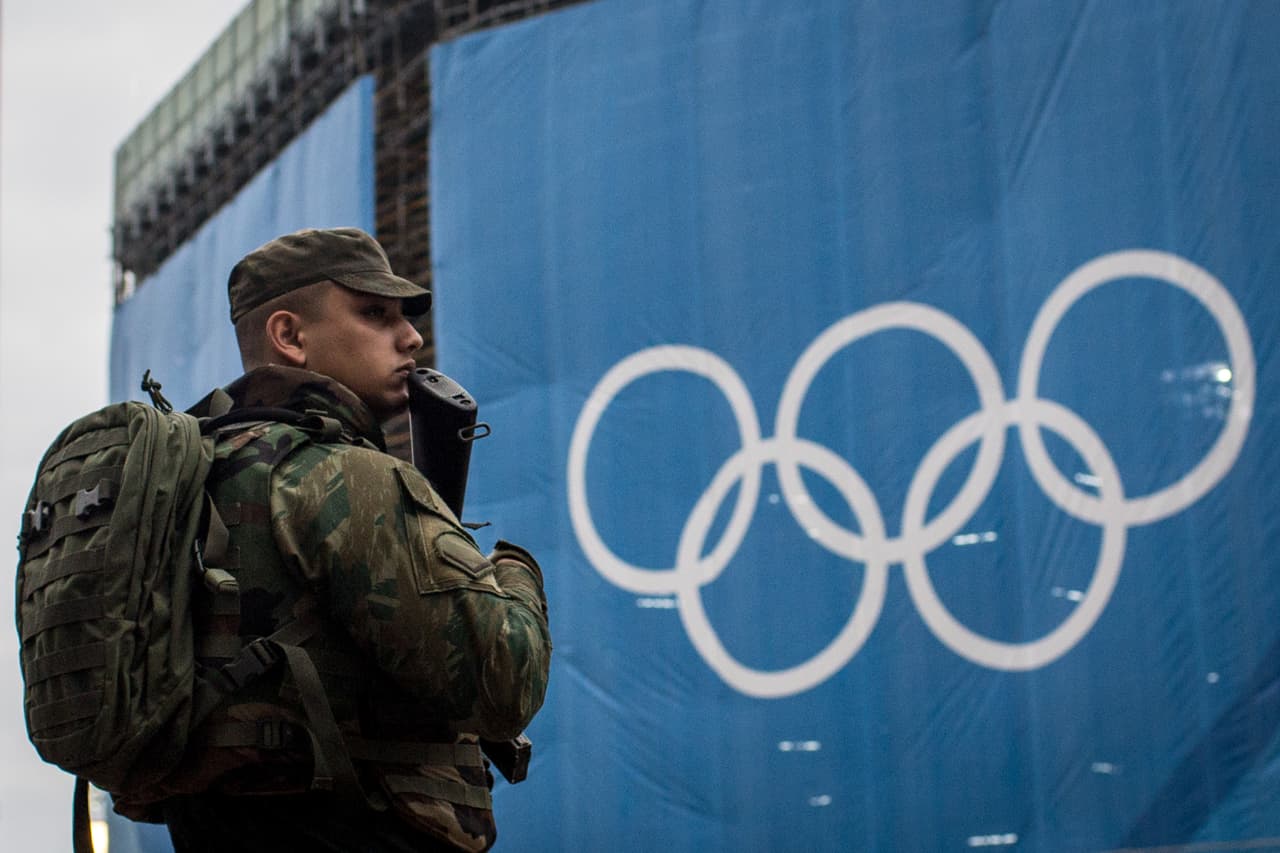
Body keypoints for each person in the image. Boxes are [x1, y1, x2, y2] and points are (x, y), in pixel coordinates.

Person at [136, 227, 551, 852]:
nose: (410, 337)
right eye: (374, 314)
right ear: (290, 336)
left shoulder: (183, 485)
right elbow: (504, 686)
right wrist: (514, 571)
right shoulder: (343, 477)